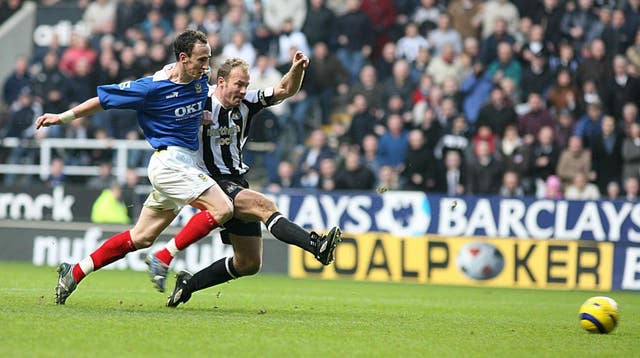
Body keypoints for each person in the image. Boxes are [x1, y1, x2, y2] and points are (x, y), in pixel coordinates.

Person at [36, 30, 235, 305]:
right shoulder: (151, 88)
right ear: (183, 58)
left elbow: (187, 110)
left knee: (140, 237)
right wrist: (62, 118)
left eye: (209, 58)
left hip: (186, 165)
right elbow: (103, 101)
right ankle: (163, 257)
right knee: (223, 208)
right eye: (201, 59)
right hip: (169, 164)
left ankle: (75, 272)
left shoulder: (201, 81)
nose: (207, 66)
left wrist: (201, 117)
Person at [160, 54, 342, 307]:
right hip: (209, 183)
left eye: (246, 85)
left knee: (248, 263)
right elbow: (165, 113)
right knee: (264, 206)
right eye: (239, 84)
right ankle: (316, 245)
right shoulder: (197, 101)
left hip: (235, 181)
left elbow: (285, 89)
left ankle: (188, 285)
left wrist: (297, 69)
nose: (243, 90)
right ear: (221, 82)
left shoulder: (248, 101)